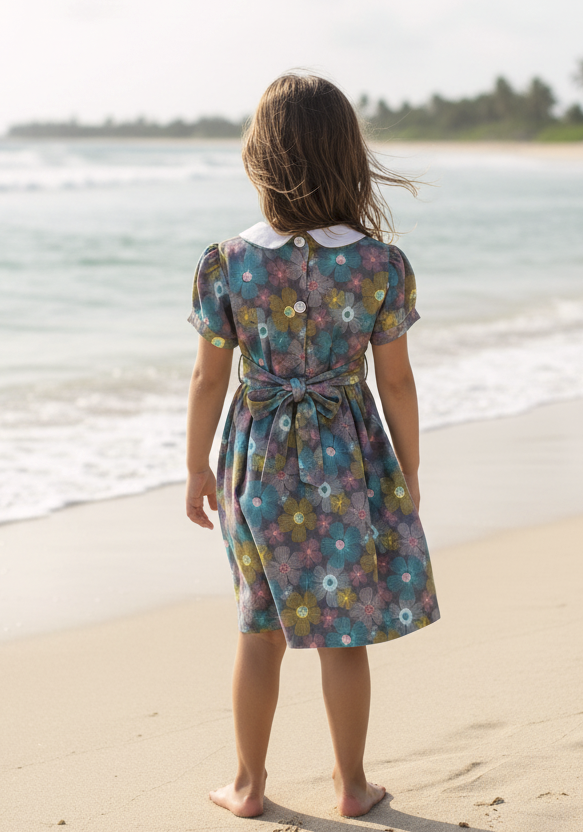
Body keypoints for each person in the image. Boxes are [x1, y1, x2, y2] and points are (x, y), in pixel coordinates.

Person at [185, 72, 439, 819]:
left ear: (259, 159)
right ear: (349, 159)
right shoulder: (378, 265)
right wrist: (409, 471)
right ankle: (352, 785)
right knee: (343, 630)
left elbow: (207, 380)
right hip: (347, 460)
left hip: (256, 459)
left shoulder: (228, 261)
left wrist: (195, 466)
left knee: (257, 625)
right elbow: (397, 384)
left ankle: (248, 784)